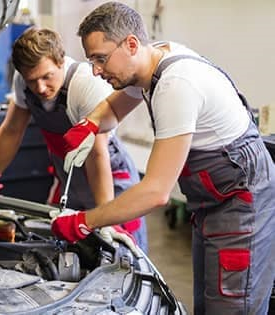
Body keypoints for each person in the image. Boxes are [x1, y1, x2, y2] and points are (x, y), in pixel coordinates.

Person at [51, 2, 275, 314]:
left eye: (100, 59)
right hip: (213, 205)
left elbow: (156, 192)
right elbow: (114, 109)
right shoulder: (149, 61)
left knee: (233, 307)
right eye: (91, 61)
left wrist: (85, 221)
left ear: (131, 44)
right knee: (210, 305)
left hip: (242, 209)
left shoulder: (175, 85)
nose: (96, 70)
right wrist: (90, 124)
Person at [0, 27, 148, 252]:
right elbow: (12, 131)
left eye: (47, 77)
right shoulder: (25, 81)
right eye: (32, 80)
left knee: (122, 254)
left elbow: (96, 153)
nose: (40, 88)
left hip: (110, 180)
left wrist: (106, 216)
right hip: (69, 177)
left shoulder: (84, 85)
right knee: (61, 247)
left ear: (60, 61)